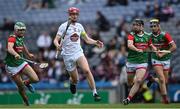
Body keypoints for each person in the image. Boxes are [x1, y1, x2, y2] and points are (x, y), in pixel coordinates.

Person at [53, 7, 103, 101]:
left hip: (78, 53)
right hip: (67, 56)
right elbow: (56, 40)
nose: (75, 16)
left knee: (87, 71)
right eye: (72, 14)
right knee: (75, 79)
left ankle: (95, 93)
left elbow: (87, 39)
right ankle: (72, 83)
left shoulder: (80, 26)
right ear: (69, 15)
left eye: (76, 14)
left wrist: (96, 42)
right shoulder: (63, 26)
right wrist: (57, 46)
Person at [4, 22, 39, 106]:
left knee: (35, 79)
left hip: (21, 63)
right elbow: (9, 48)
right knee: (21, 87)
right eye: (20, 30)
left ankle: (26, 82)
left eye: (23, 30)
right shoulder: (12, 38)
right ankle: (26, 102)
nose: (22, 32)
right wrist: (15, 54)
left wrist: (28, 54)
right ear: (15, 30)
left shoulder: (21, 37)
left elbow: (23, 45)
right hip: (12, 66)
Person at [122, 19, 156, 105]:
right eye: (134, 25)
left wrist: (156, 50)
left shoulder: (148, 36)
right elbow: (129, 45)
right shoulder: (131, 35)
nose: (135, 26)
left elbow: (151, 46)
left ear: (142, 26)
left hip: (142, 62)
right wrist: (137, 49)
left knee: (138, 80)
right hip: (131, 62)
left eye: (137, 25)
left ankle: (128, 99)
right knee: (130, 83)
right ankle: (148, 78)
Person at [148, 19, 176, 104]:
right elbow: (149, 46)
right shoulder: (149, 36)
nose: (153, 28)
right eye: (151, 26)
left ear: (159, 26)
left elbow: (174, 47)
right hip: (156, 59)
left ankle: (152, 79)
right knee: (162, 79)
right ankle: (165, 99)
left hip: (166, 58)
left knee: (164, 81)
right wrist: (154, 51)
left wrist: (162, 54)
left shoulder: (165, 35)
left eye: (154, 26)